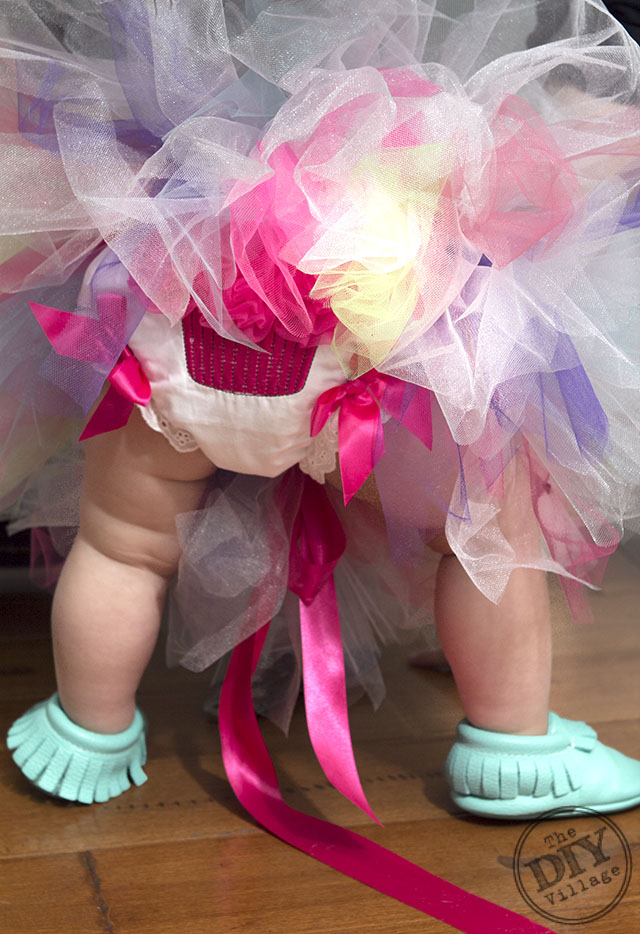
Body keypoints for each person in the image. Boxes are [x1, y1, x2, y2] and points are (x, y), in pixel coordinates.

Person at [3, 0, 640, 824]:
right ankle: (516, 750)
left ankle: (88, 732)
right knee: (487, 534)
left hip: (180, 288)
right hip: (377, 295)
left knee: (124, 545)